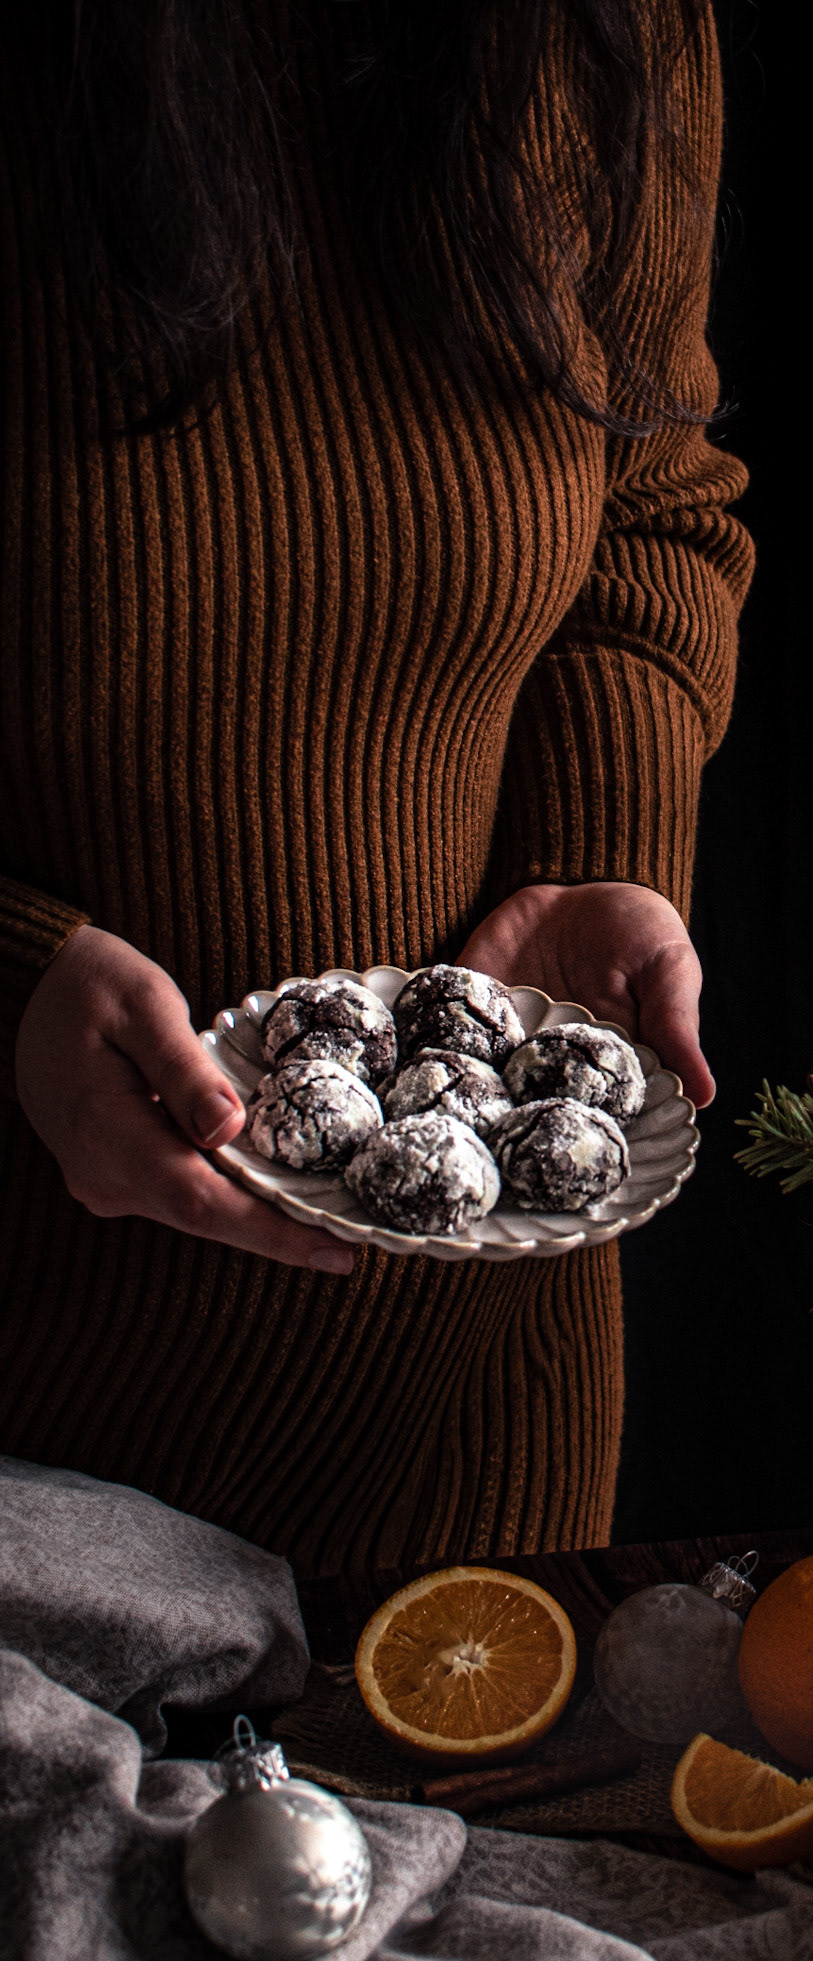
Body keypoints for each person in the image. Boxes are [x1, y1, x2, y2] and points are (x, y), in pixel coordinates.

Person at [0, 0, 751, 1576]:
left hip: (466, 1401)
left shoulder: (596, 31)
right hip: (31, 1415)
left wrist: (592, 848)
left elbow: (653, 507)